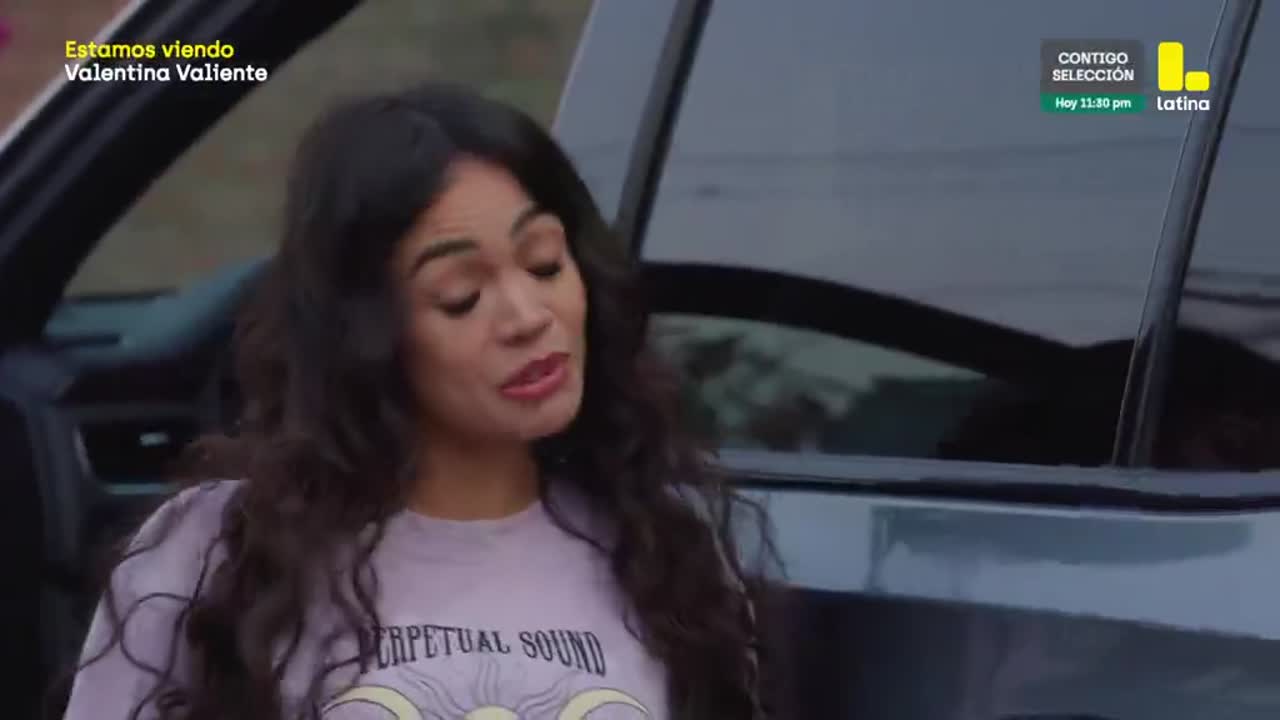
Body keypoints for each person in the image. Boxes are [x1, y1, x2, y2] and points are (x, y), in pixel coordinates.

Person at [58, 82, 778, 720]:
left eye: (544, 264)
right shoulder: (218, 552)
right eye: (461, 297)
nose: (528, 316)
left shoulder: (664, 549)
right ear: (367, 334)